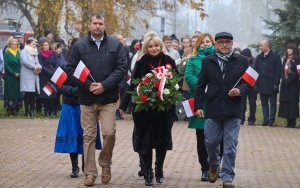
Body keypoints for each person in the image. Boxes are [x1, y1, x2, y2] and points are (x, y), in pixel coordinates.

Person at [66, 13, 127, 186]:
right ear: (89, 25)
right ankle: (90, 173)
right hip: (86, 98)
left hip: (107, 98)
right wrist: (87, 86)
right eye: (95, 23)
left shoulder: (115, 45)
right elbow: (70, 69)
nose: (98, 26)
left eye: (100, 23)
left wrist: (104, 85)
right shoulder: (79, 46)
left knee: (109, 133)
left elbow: (121, 68)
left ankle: (105, 165)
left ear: (105, 25)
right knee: (89, 136)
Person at [119, 32, 178, 186]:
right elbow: (132, 85)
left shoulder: (169, 61)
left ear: (161, 46)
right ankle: (148, 172)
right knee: (145, 142)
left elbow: (177, 83)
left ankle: (159, 170)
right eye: (150, 46)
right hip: (144, 110)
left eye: (156, 46)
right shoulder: (141, 62)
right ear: (146, 47)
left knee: (161, 141)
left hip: (163, 110)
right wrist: (123, 105)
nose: (153, 48)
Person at [194, 32, 251, 188]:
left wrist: (240, 90)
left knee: (230, 144)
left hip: (233, 109)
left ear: (232, 43)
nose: (224, 45)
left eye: (227, 42)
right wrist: (198, 106)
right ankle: (213, 165)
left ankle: (227, 177)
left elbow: (250, 83)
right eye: (220, 42)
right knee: (211, 142)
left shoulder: (242, 61)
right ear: (216, 45)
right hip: (213, 108)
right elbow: (200, 86)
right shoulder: (208, 61)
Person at [54, 38, 102, 179]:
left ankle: (86, 165)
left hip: (86, 104)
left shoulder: (88, 66)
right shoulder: (64, 65)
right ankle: (74, 166)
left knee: (87, 135)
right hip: (70, 105)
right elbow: (59, 86)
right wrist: (72, 90)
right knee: (72, 135)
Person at [185, 33, 216, 181]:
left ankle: (215, 166)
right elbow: (189, 75)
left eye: (208, 41)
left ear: (213, 43)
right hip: (199, 100)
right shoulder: (192, 59)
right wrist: (202, 87)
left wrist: (213, 88)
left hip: (215, 100)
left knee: (217, 137)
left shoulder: (218, 57)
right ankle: (204, 168)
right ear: (198, 44)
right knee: (201, 136)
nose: (205, 44)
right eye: (202, 42)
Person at [254, 40, 281, 126]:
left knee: (272, 103)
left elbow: (278, 72)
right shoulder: (258, 57)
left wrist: (276, 84)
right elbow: (256, 71)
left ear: (267, 46)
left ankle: (271, 120)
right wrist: (256, 84)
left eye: (261, 45)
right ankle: (266, 120)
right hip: (261, 84)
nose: (260, 47)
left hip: (272, 84)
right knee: (264, 103)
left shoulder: (275, 57)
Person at [278, 43, 300, 128]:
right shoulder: (285, 60)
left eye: (290, 49)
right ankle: (288, 120)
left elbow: (298, 73)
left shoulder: (298, 60)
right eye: (287, 49)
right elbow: (282, 70)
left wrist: (289, 81)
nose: (288, 50)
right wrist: (284, 79)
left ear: (294, 50)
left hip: (293, 85)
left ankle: (292, 121)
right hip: (285, 85)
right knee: (286, 102)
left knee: (292, 103)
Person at [20, 38, 42, 118]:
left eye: (35, 44)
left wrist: (39, 67)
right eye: (33, 44)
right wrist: (34, 67)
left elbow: (38, 62)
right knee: (27, 94)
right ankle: (27, 111)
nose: (34, 45)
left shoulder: (35, 53)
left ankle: (32, 111)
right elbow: (25, 62)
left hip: (34, 75)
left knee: (33, 94)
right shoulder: (23, 51)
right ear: (28, 44)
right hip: (27, 75)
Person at [38, 39, 59, 117]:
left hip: (53, 76)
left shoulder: (54, 54)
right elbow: (41, 65)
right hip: (44, 76)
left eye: (46, 45)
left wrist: (53, 72)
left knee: (52, 93)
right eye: (43, 45)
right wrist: (49, 72)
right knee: (45, 94)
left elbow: (57, 64)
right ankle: (46, 110)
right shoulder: (40, 55)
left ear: (49, 45)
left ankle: (51, 110)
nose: (45, 46)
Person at [3, 38, 23, 115]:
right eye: (12, 44)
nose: (14, 46)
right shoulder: (7, 53)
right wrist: (13, 73)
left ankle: (16, 108)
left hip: (18, 75)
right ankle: (9, 108)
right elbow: (6, 65)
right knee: (10, 93)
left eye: (15, 44)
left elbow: (21, 63)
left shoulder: (19, 52)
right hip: (10, 76)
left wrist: (19, 72)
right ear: (10, 45)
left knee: (17, 92)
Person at [240, 48, 257, 125]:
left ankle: (247, 119)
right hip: (247, 85)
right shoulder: (254, 61)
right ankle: (246, 119)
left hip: (249, 85)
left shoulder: (251, 61)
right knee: (246, 103)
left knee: (249, 103)